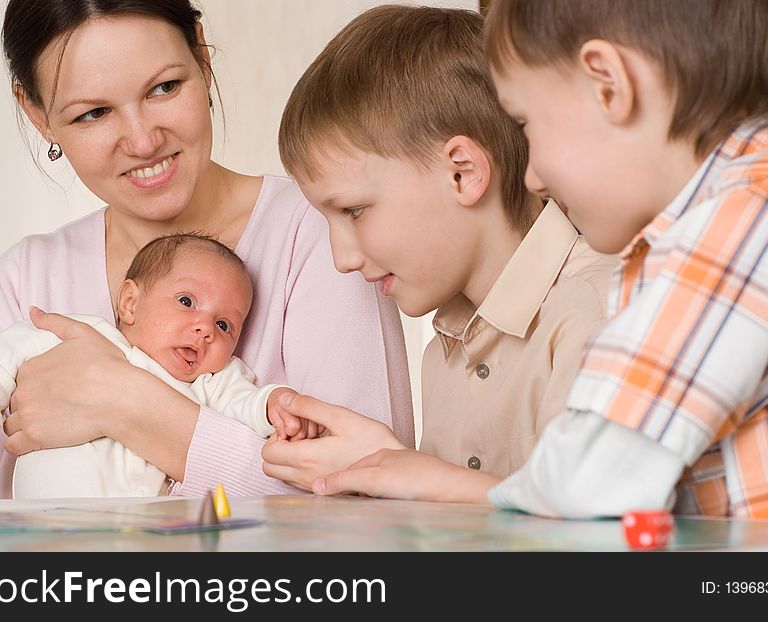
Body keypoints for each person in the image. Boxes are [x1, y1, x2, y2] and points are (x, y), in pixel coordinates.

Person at [311, 0, 768, 521]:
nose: (533, 177)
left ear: (608, 86)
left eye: (527, 123)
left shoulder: (759, 209)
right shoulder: (722, 226)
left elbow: (595, 480)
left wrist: (436, 482)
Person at [0, 0, 413, 500]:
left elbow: (367, 504)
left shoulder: (318, 232)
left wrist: (125, 402)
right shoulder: (27, 280)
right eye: (94, 113)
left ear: (202, 56)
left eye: (164, 87)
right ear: (38, 115)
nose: (143, 141)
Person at [261, 5, 615, 501]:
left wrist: (418, 477)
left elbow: (603, 533)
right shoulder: (443, 351)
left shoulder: (598, 312)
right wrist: (382, 465)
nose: (340, 258)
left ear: (463, 173)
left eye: (355, 212)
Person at [0, 233, 314, 497]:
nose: (205, 330)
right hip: (47, 531)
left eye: (224, 325)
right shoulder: (77, 336)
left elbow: (244, 404)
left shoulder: (211, 380)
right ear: (130, 303)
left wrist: (274, 406)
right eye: (187, 301)